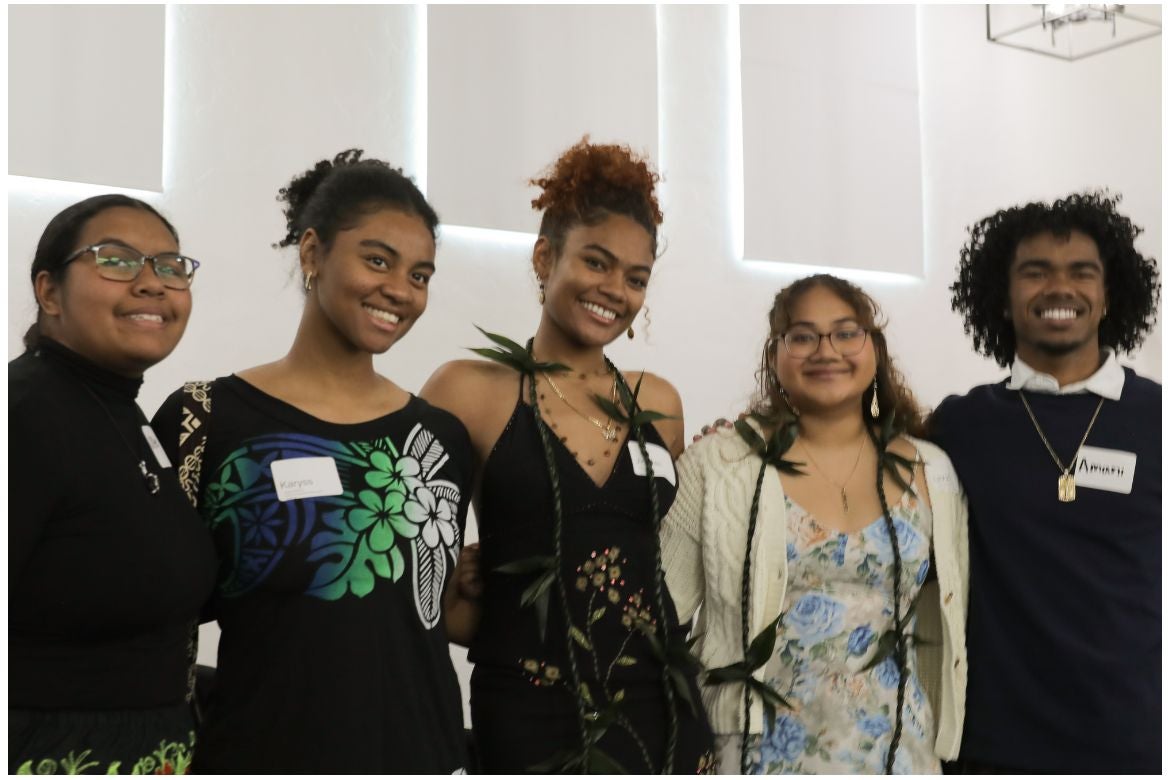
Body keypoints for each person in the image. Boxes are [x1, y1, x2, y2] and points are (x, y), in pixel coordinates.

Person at [150, 150, 475, 773]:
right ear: (311, 253)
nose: (399, 291)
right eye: (377, 260)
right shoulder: (205, 420)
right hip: (263, 754)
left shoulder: (438, 442)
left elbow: (425, 614)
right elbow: (153, 615)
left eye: (420, 275)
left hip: (419, 756)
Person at [421, 138, 716, 773]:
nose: (615, 290)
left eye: (636, 278)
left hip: (661, 710)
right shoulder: (467, 392)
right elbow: (416, 585)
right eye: (596, 262)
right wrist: (485, 586)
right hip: (529, 709)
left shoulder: (657, 401)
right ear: (544, 257)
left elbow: (656, 557)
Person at [662, 274, 969, 774]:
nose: (826, 350)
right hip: (755, 758)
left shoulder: (933, 470)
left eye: (847, 332)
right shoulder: (719, 466)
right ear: (775, 356)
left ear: (875, 350)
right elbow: (658, 616)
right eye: (802, 336)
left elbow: (952, 615)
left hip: (898, 755)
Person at [932, 191, 1160, 774]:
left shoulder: (1160, 420)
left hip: (1135, 742)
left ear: (1109, 296)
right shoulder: (960, 424)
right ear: (1003, 300)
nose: (1060, 288)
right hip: (991, 746)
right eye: (1035, 273)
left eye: (1082, 273)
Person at [9, 195, 217, 774]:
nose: (152, 283)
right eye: (117, 261)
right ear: (49, 292)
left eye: (171, 266)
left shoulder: (124, 415)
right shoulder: (21, 414)